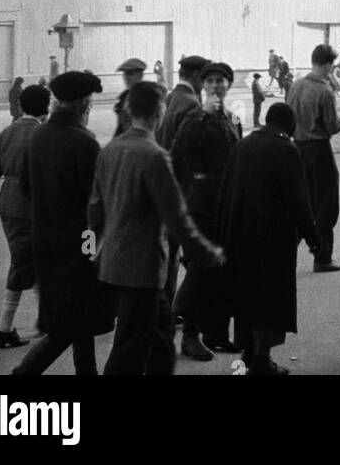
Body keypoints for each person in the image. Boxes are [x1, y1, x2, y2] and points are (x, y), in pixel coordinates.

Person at [88, 80, 224, 376]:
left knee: (162, 340)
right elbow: (177, 217)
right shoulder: (154, 156)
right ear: (160, 111)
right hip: (143, 269)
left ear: (128, 110)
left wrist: (88, 253)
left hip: (115, 263)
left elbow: (94, 213)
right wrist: (208, 252)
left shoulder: (110, 150)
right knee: (129, 348)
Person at [12, 70, 104, 376]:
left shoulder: (38, 135)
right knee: (69, 325)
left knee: (79, 320)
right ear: (82, 103)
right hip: (77, 248)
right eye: (90, 103)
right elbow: (95, 207)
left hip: (45, 242)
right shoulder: (85, 143)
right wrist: (92, 251)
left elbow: (25, 187)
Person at [218, 102, 318, 375]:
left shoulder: (243, 145)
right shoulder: (287, 149)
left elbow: (225, 189)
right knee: (270, 296)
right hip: (272, 238)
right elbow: (299, 200)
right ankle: (262, 359)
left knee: (247, 293)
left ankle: (248, 350)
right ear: (290, 125)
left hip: (239, 235)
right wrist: (313, 238)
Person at [171, 60, 242, 357]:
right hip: (201, 199)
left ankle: (215, 332)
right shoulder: (194, 118)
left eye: (220, 81)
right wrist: (204, 120)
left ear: (228, 85)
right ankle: (188, 333)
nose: (215, 86)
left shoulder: (232, 118)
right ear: (202, 85)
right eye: (210, 81)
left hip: (226, 200)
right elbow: (179, 157)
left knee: (221, 267)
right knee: (201, 266)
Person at [0, 82, 51, 349]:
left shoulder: (6, 132)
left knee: (33, 261)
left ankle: (45, 319)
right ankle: (4, 328)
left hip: (7, 205)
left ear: (21, 105)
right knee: (25, 264)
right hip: (31, 207)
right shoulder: (42, 134)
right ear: (46, 107)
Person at [156, 53, 208, 312]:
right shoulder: (191, 104)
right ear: (197, 75)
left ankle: (165, 307)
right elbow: (189, 151)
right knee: (186, 254)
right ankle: (170, 310)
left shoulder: (170, 98)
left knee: (170, 252)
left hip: (164, 183)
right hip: (182, 188)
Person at [287, 42, 340, 272]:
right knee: (325, 206)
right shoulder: (324, 91)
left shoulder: (295, 86)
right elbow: (332, 127)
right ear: (329, 65)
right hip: (319, 150)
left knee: (302, 203)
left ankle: (285, 252)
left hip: (297, 148)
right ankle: (322, 257)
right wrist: (338, 115)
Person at [113, 57, 147, 138]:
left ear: (141, 75)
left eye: (130, 74)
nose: (126, 78)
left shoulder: (147, 97)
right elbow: (120, 127)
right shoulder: (123, 97)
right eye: (125, 74)